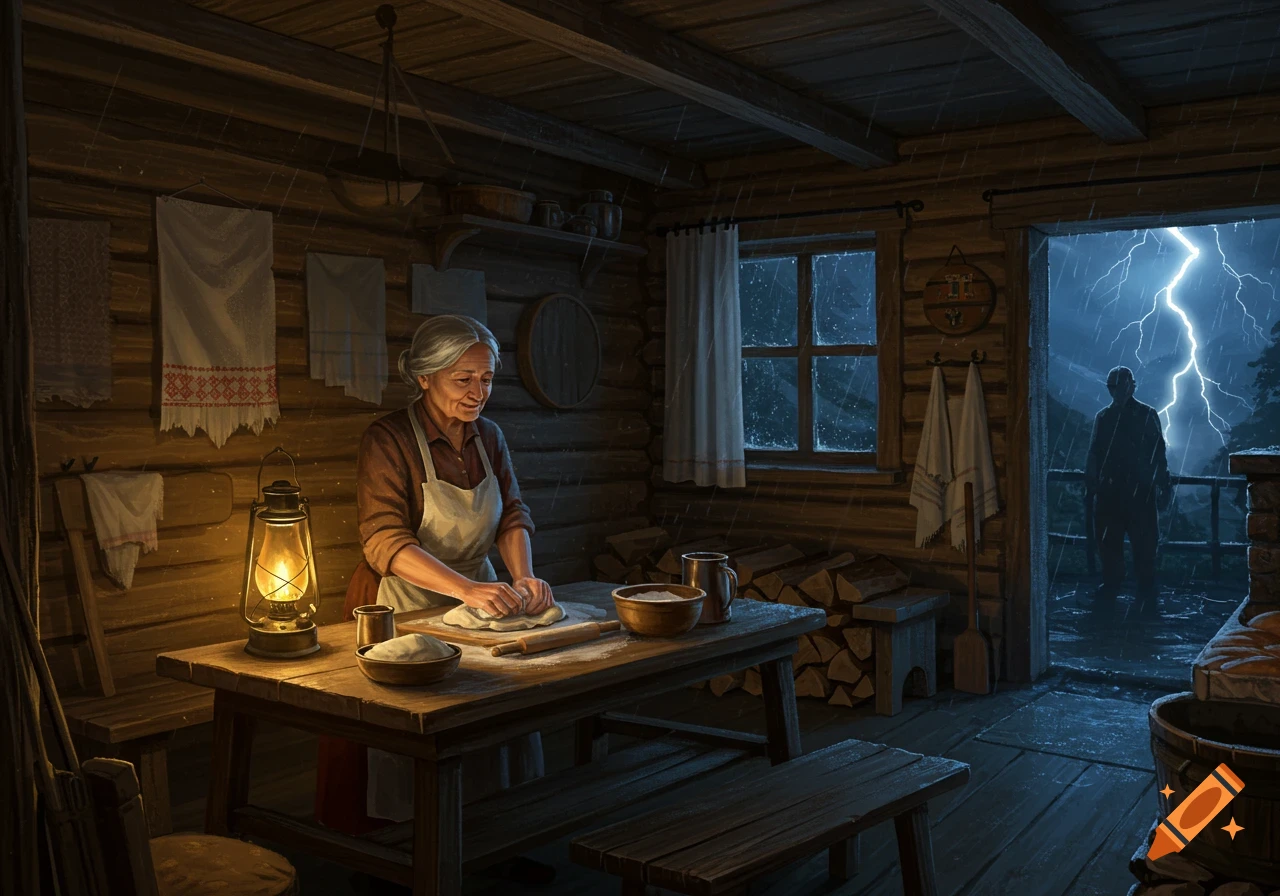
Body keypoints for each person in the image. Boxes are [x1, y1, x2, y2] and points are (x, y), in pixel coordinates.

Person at [314, 315, 555, 882]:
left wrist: (521, 578)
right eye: (462, 380)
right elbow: (383, 540)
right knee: (413, 731)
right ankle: (401, 856)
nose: (477, 393)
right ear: (425, 378)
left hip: (481, 588)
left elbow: (513, 513)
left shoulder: (488, 438)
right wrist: (466, 588)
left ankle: (493, 843)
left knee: (493, 708)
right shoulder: (389, 439)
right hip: (401, 600)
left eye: (487, 380)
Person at [1085, 366, 1171, 603]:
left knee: (1144, 542)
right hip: (1111, 490)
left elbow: (1158, 450)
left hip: (1139, 490)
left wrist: (1162, 481)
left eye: (1122, 386)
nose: (1119, 391)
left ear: (1132, 387)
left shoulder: (1146, 414)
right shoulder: (1104, 417)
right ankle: (1114, 582)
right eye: (1114, 387)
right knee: (1108, 541)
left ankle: (1145, 586)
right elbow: (1094, 451)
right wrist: (1092, 483)